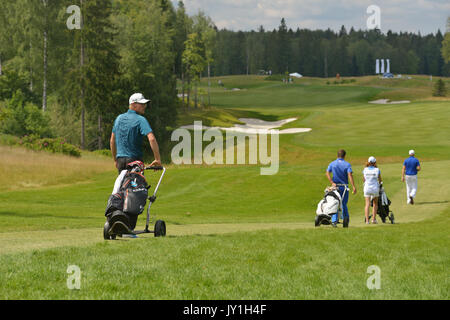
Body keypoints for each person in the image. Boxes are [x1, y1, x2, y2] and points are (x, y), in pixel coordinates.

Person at [110, 93, 162, 174]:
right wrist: (157, 159)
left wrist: (115, 159)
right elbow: (152, 139)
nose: (144, 106)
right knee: (138, 185)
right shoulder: (140, 119)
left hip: (120, 161)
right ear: (133, 104)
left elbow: (112, 140)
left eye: (144, 104)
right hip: (135, 161)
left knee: (124, 185)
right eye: (141, 104)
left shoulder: (119, 118)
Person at [326, 149, 357, 228]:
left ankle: (334, 221)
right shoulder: (347, 164)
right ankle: (346, 219)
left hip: (335, 187)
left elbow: (327, 173)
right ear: (344, 156)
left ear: (337, 155)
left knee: (335, 203)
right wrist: (353, 186)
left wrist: (331, 182)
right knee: (343, 204)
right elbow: (350, 175)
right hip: (344, 187)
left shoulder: (332, 163)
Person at [363, 157, 382, 224]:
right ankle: (373, 219)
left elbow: (364, 179)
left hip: (367, 188)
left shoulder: (365, 170)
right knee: (375, 203)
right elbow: (380, 180)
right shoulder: (377, 170)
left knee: (367, 204)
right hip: (375, 188)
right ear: (374, 162)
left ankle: (367, 221)